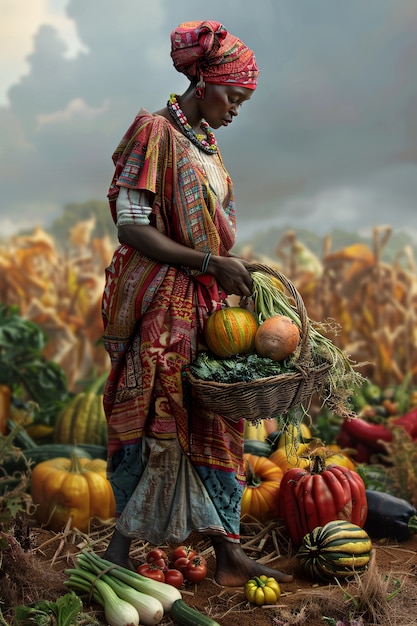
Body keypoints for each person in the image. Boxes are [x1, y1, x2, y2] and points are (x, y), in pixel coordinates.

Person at [101, 20, 293, 587]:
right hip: (163, 307)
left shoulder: (205, 143)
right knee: (159, 416)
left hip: (204, 306)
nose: (235, 110)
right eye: (233, 97)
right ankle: (117, 551)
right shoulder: (153, 131)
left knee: (215, 422)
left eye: (243, 102)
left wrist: (225, 273)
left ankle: (227, 551)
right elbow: (133, 227)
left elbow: (207, 235)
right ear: (204, 82)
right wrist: (208, 263)